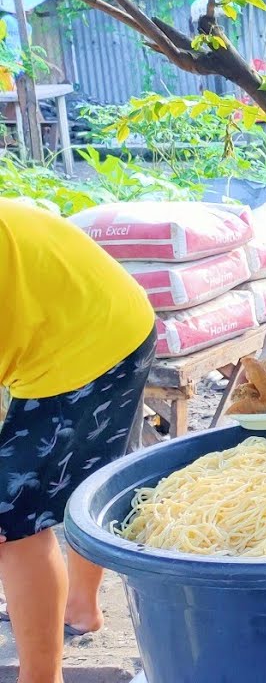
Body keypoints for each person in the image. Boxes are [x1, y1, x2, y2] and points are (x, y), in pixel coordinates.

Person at [0, 197, 157, 683]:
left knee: (13, 520)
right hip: (109, 314)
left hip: (89, 339)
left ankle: (41, 677)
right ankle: (80, 606)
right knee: (85, 477)